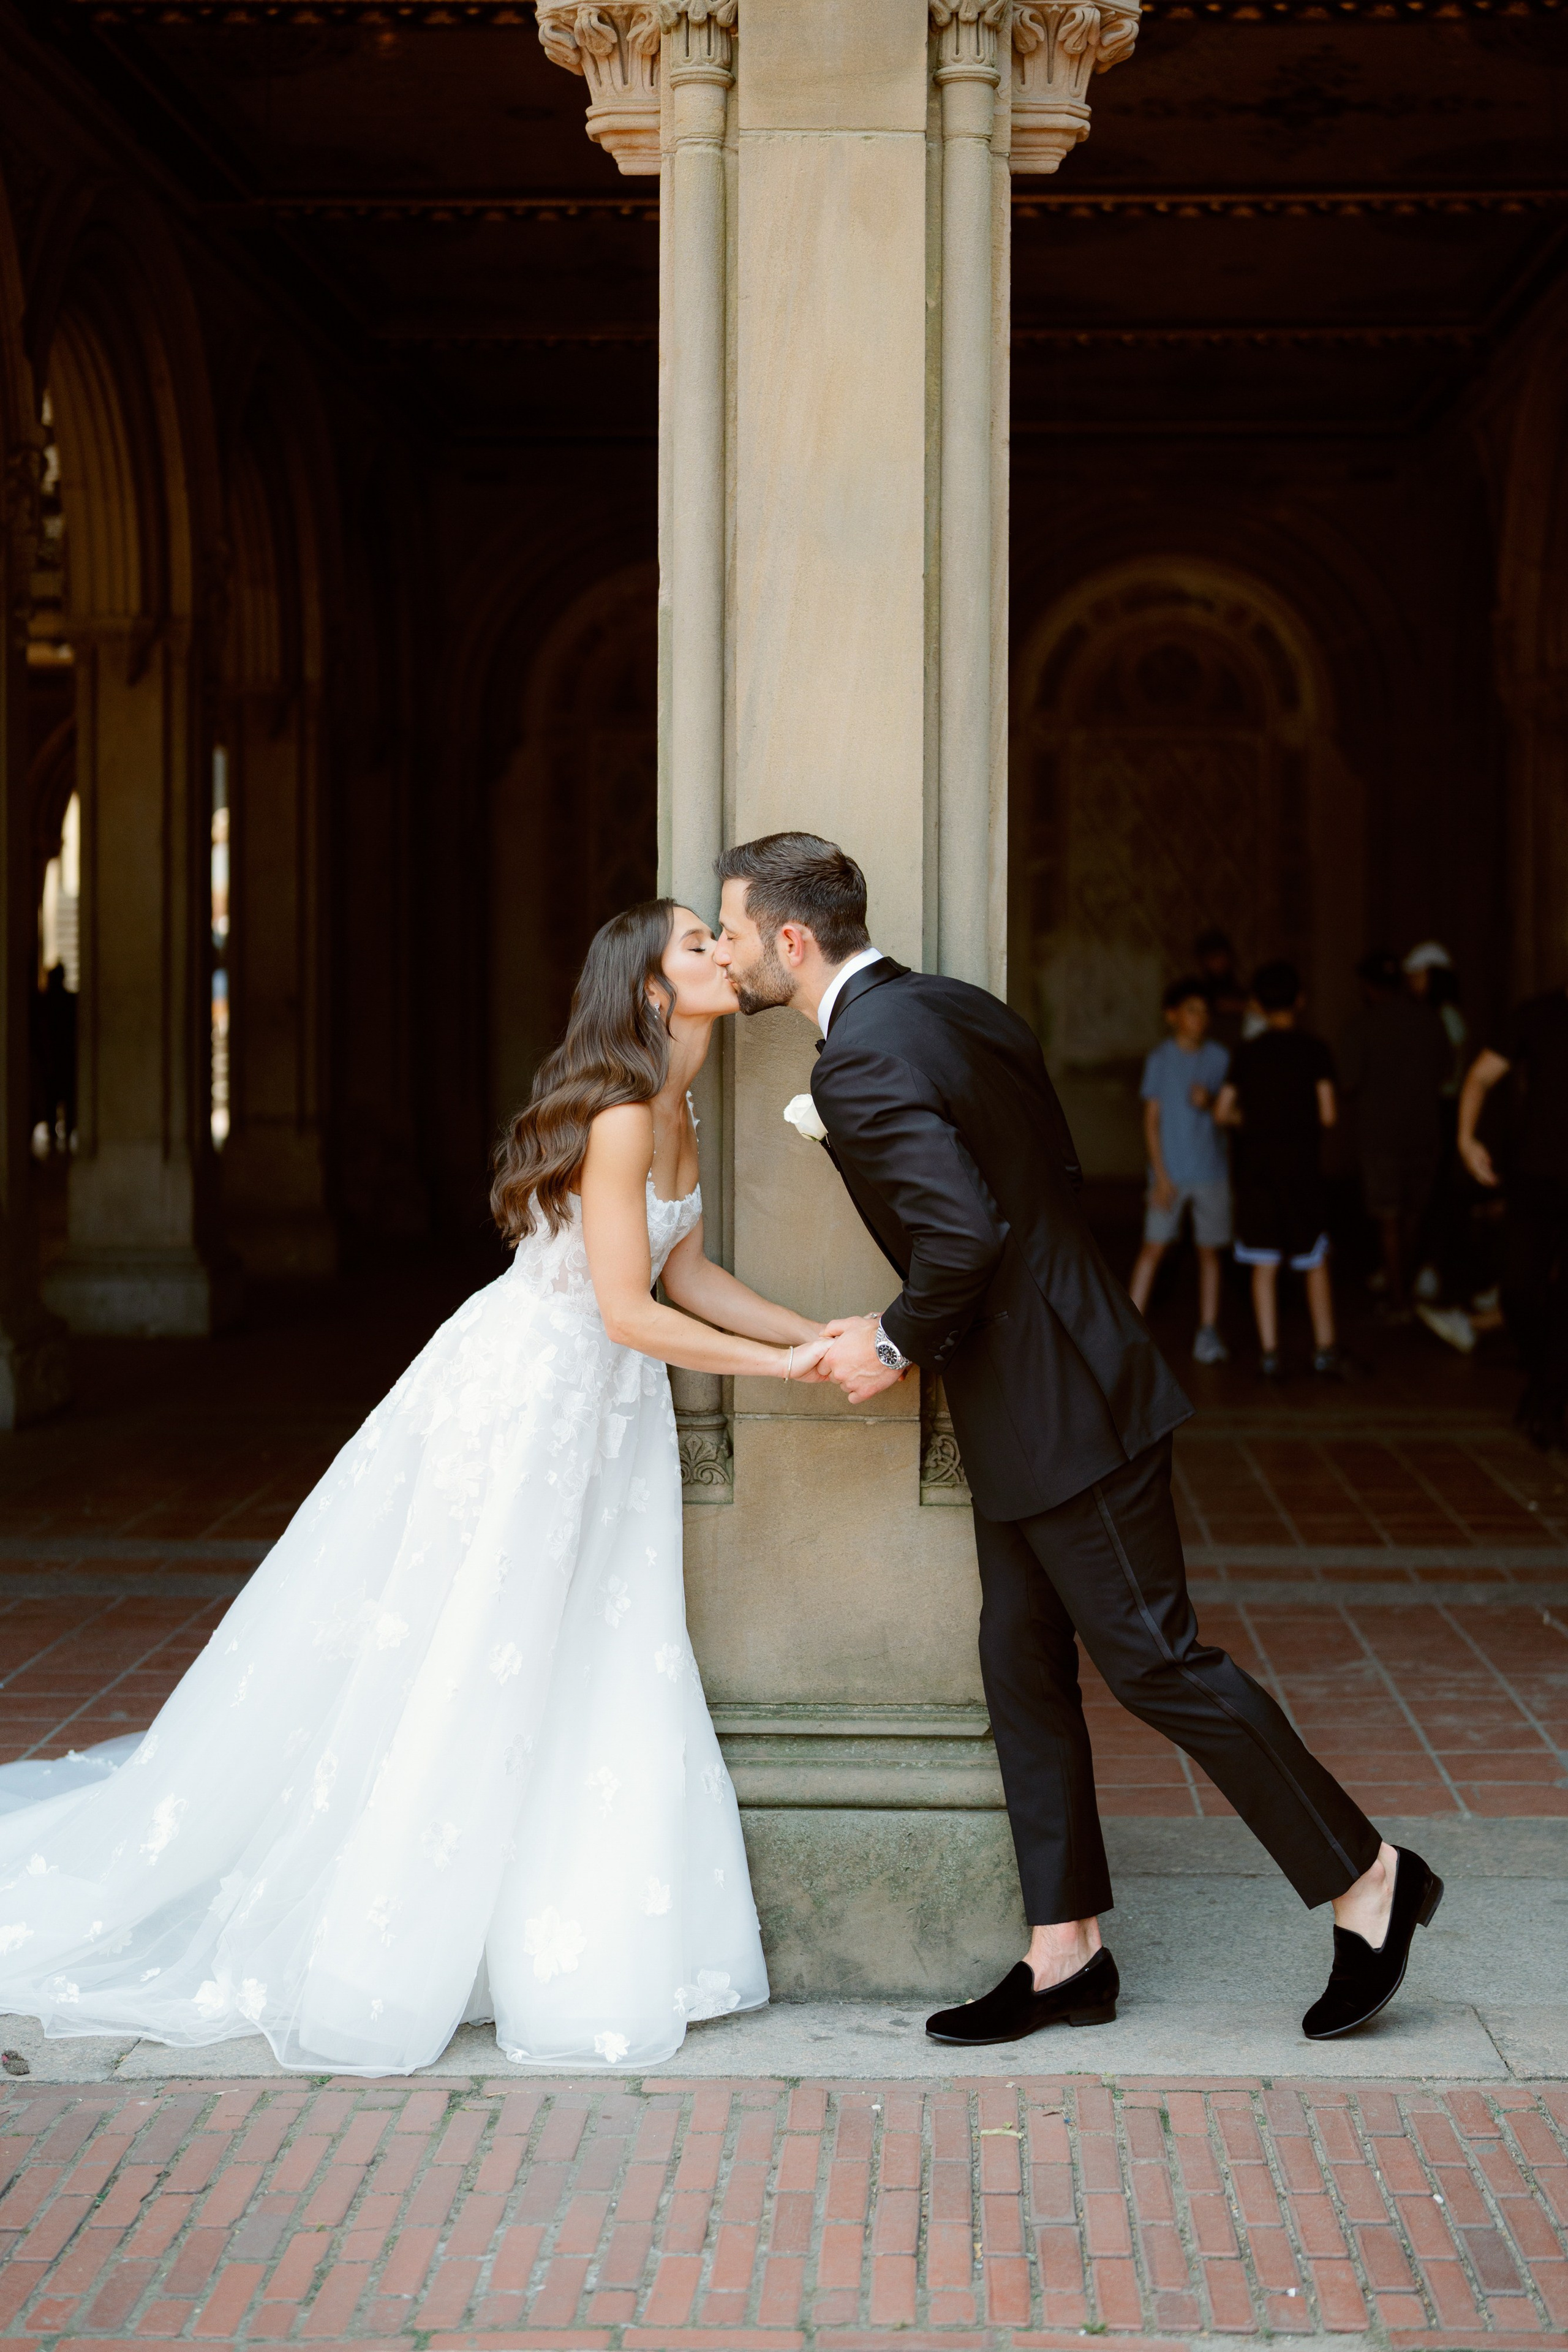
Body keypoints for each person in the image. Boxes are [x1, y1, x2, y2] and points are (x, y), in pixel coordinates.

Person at [0, 902, 833, 2074]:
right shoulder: (616, 1116)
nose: (721, 952)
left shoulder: (678, 1105)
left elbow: (682, 1268)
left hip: (607, 1414)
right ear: (653, 992)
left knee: (593, 1642)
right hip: (528, 1399)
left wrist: (811, 1333)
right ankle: (392, 1931)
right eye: (696, 944)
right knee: (475, 1638)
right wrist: (784, 1369)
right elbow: (625, 1309)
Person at [713, 834, 1440, 2049]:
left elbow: (964, 1235)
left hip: (1062, 1406)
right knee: (1019, 1661)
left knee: (1157, 1662)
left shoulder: (859, 1060)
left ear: (791, 940)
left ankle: (1368, 1877)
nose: (725, 953)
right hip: (1038, 1391)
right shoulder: (952, 1007)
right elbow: (1038, 1179)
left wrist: (891, 1340)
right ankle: (1067, 1952)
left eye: (732, 932)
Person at [1213, 961, 1341, 1380]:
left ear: (1256, 1005)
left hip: (1257, 1173)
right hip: (1303, 1171)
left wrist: (1251, 1121)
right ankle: (1325, 1349)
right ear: (1300, 1001)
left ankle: (1270, 1352)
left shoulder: (1247, 1053)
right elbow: (1328, 1114)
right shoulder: (1316, 1050)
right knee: (1314, 1261)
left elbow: (1222, 1112)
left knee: (1264, 1263)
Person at [1458, 982, 1568, 1450]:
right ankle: (1544, 1381)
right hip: (1535, 1176)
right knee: (1518, 1292)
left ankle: (1551, 1405)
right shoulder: (1541, 1013)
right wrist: (1466, 1139)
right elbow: (1482, 1077)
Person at [1338, 949, 1450, 1321]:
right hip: (1425, 1131)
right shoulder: (1430, 1021)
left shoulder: (1361, 1026)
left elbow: (1348, 1082)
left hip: (1380, 1136)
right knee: (1413, 1217)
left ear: (1368, 986)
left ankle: (1398, 1298)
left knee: (1389, 1218)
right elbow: (1446, 1072)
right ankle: (1407, 1288)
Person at [1128, 977, 1232, 1365]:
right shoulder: (1160, 1059)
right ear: (1172, 1016)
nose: (1199, 1018)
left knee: (1209, 1254)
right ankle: (1129, 1335)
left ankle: (1208, 1332)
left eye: (1204, 1011)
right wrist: (1161, 1176)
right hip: (1169, 1174)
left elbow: (1233, 1115)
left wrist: (1212, 1102)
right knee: (1153, 1249)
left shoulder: (1219, 1058)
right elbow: (1150, 1122)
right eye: (1191, 1010)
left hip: (1211, 1172)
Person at [1194, 926, 1248, 1054]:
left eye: (1222, 956)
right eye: (1213, 958)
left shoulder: (1239, 990)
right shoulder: (1199, 992)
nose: (1219, 962)